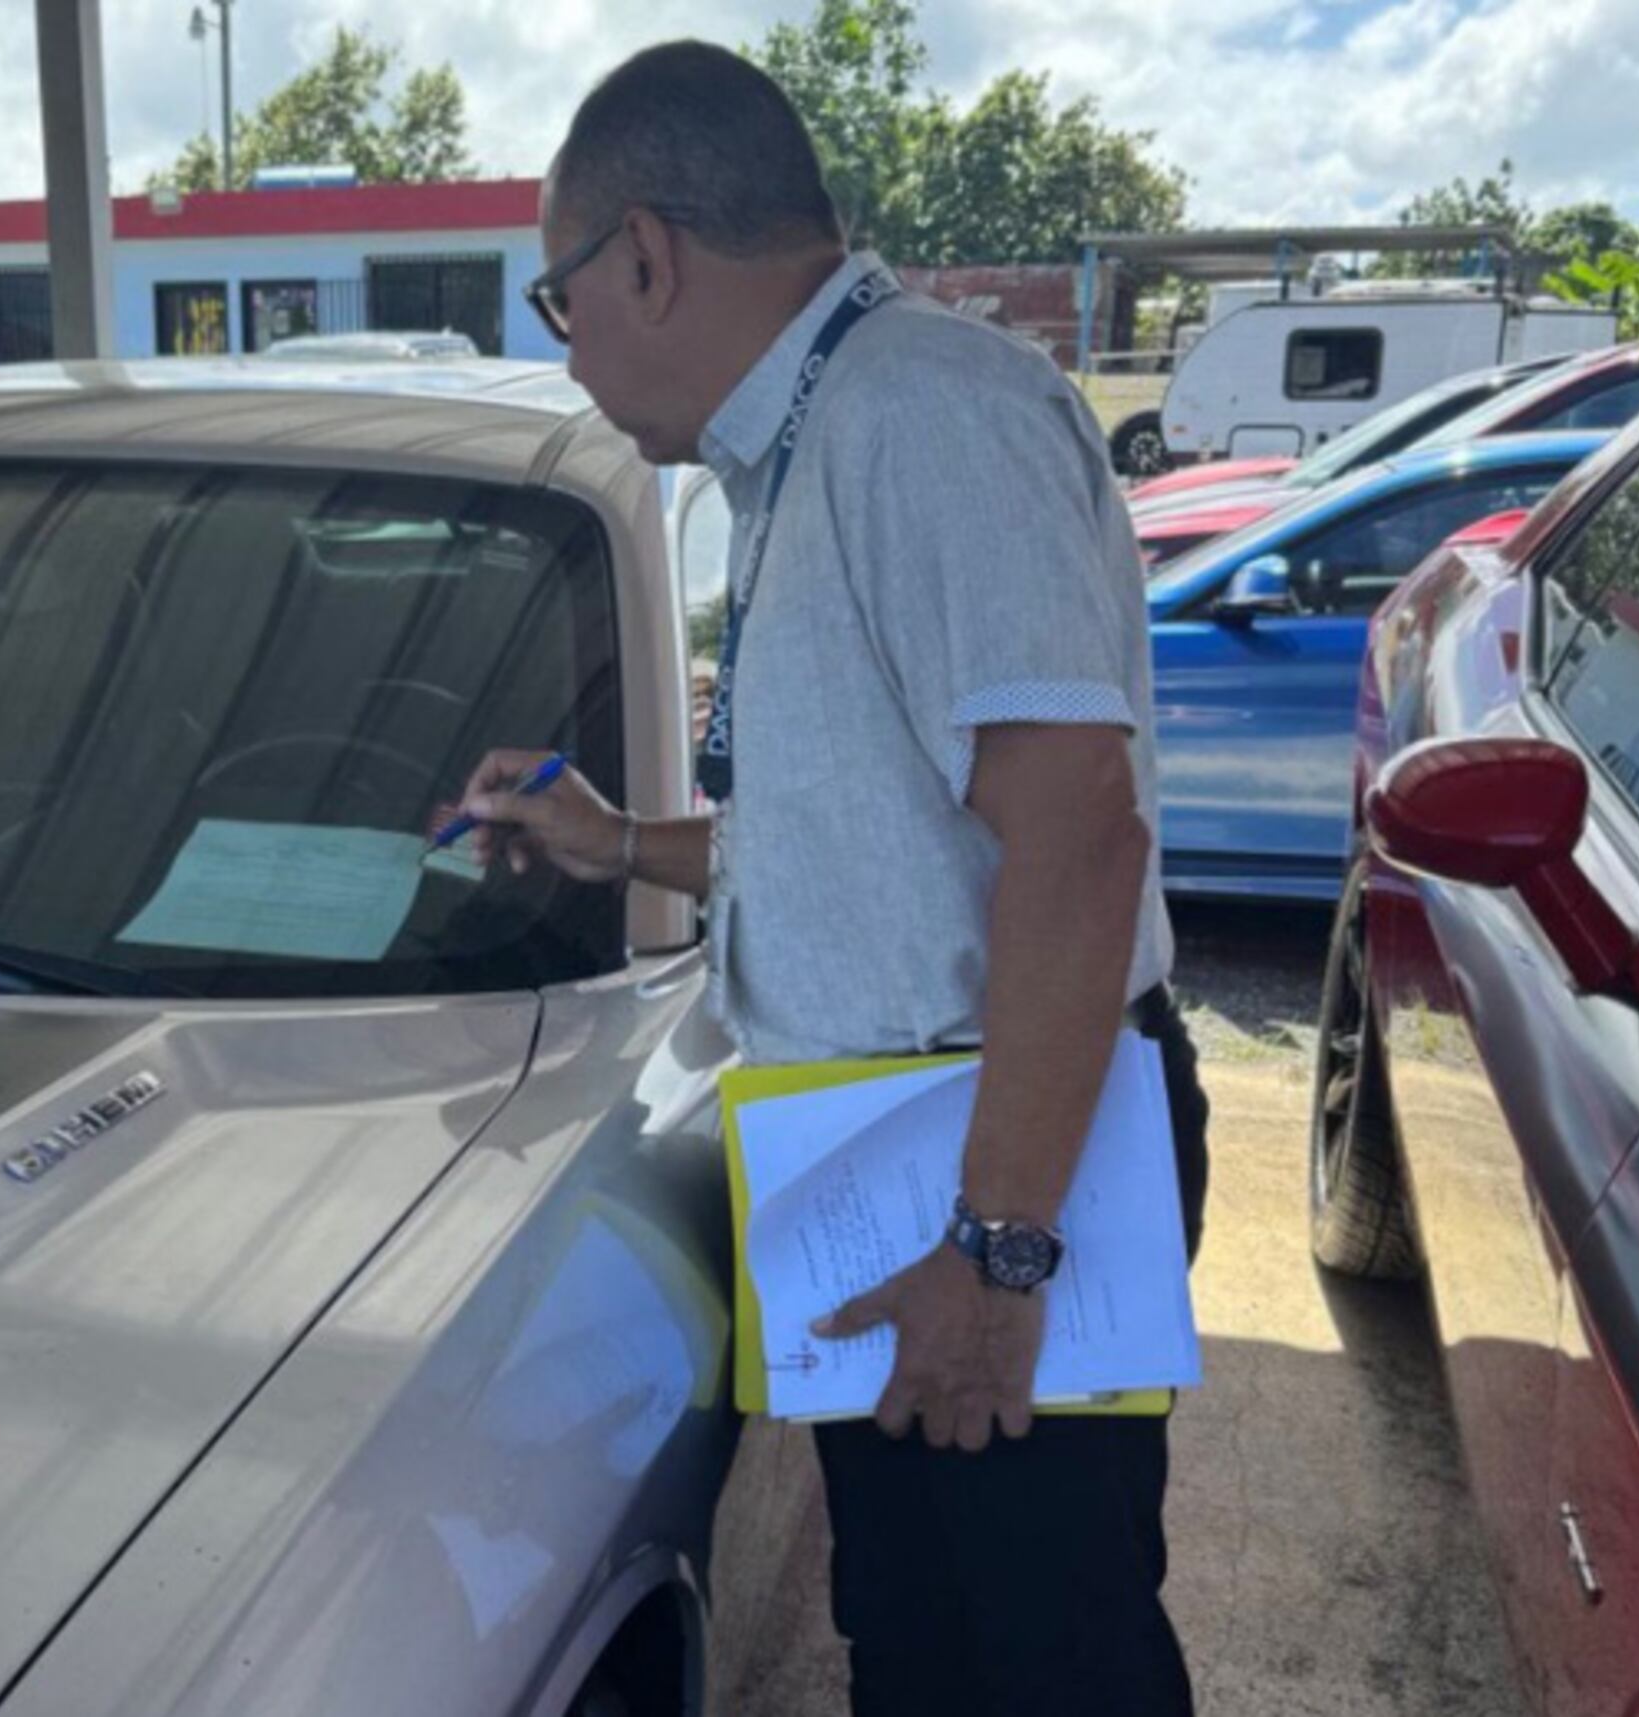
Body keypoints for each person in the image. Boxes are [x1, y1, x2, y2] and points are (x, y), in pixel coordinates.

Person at [457, 41, 1210, 1717]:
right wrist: (619, 842)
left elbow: (1080, 839)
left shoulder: (920, 416)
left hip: (1001, 1158)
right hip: (911, 1156)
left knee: (1049, 1661)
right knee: (931, 1647)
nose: (566, 348)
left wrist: (1002, 1252)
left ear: (642, 255)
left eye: (556, 298)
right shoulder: (807, 441)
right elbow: (880, 834)